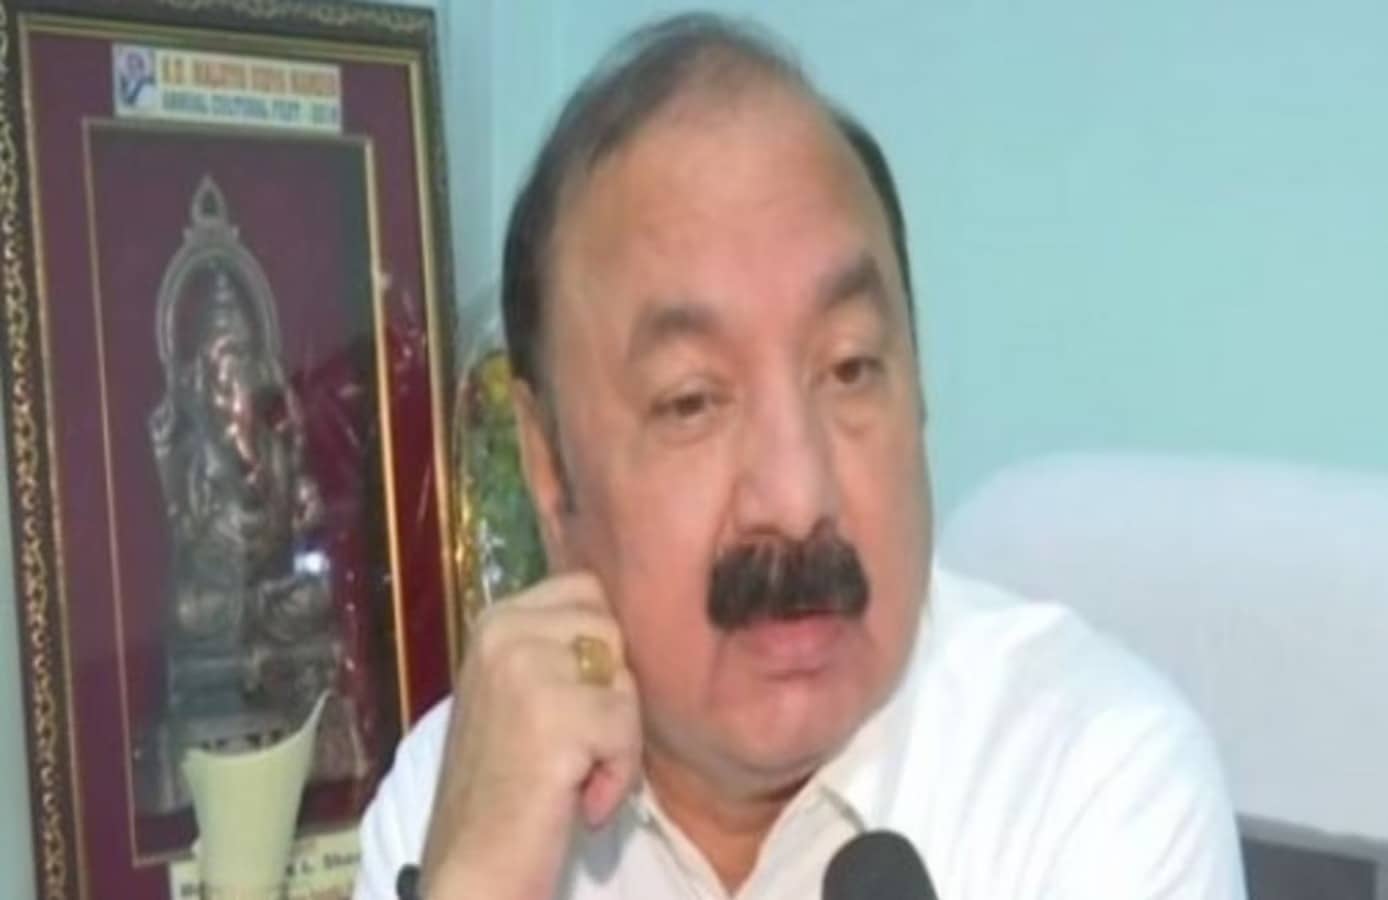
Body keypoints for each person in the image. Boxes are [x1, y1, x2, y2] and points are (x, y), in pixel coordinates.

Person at [356, 13, 1245, 899]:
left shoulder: (1095, 784)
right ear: (549, 470)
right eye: (692, 402)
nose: (797, 496)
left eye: (850, 368)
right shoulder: (466, 796)